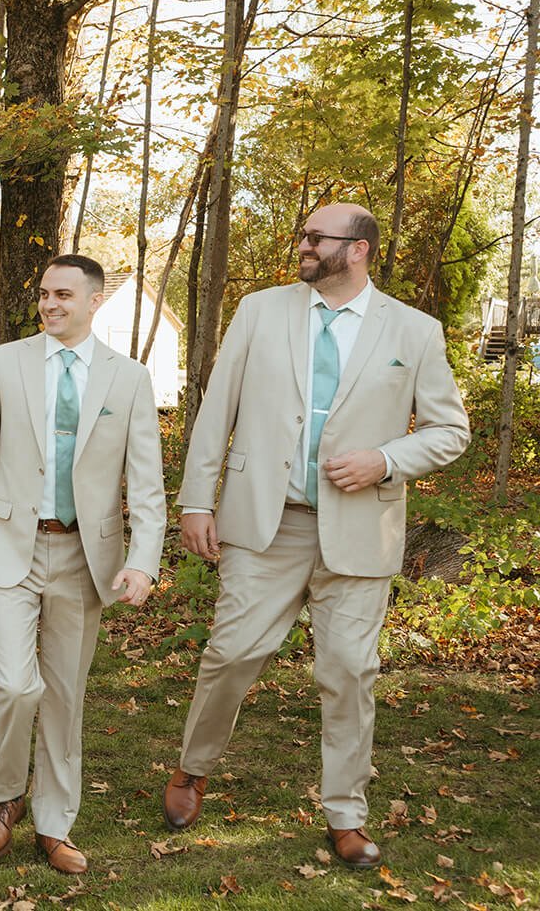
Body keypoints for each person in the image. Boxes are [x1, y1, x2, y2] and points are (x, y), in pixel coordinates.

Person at [165, 203, 470, 868]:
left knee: (351, 672)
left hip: (361, 530)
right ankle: (193, 767)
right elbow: (219, 409)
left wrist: (385, 459)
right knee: (233, 652)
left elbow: (452, 430)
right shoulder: (261, 310)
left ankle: (346, 813)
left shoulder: (414, 331)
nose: (302, 245)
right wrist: (196, 499)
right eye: (304, 234)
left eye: (315, 237)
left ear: (357, 249)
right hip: (263, 522)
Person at [0, 255, 166, 874]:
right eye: (43, 293)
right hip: (8, 545)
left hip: (85, 555)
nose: (49, 304)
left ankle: (55, 822)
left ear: (95, 301)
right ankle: (2, 800)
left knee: (67, 695)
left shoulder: (128, 379)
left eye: (63, 294)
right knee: (16, 685)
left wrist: (145, 559)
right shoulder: (4, 363)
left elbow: (146, 482)